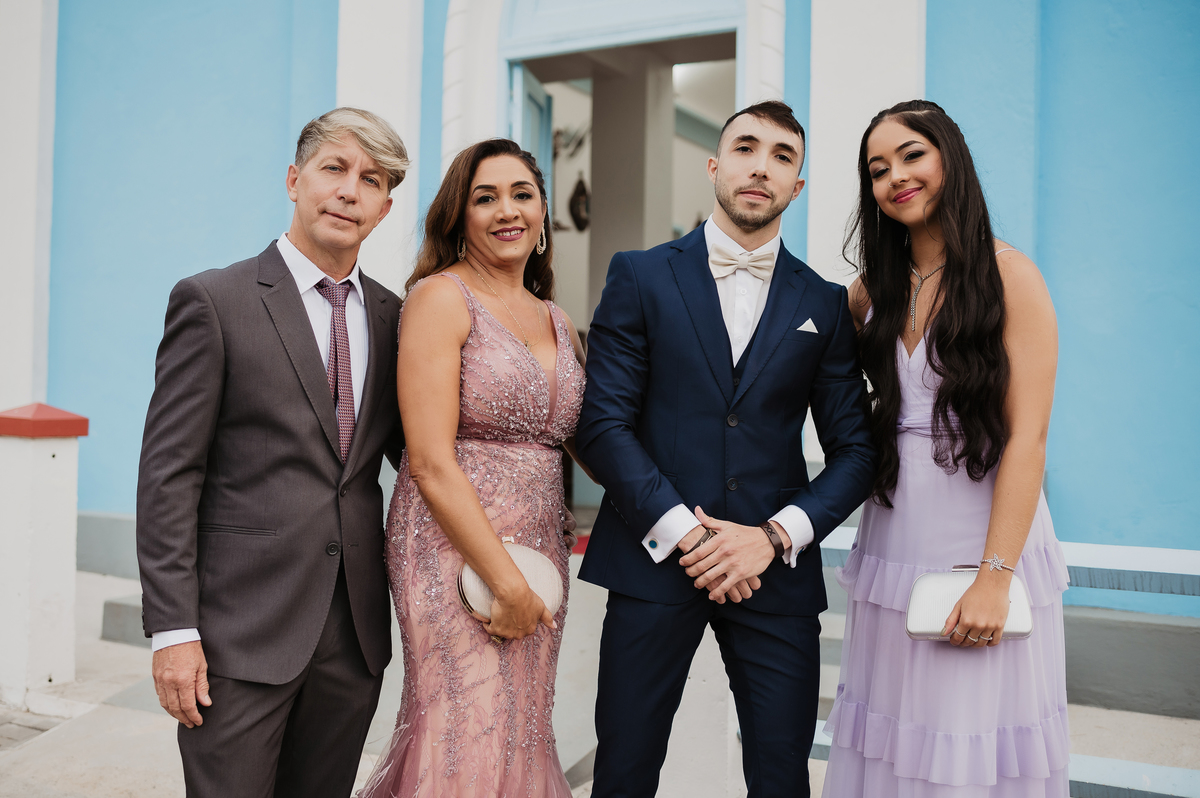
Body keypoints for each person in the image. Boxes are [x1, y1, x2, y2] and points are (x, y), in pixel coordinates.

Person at [576, 100, 877, 798]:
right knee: (623, 774)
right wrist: (689, 536)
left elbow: (857, 451)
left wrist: (772, 538)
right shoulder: (640, 275)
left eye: (782, 156)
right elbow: (602, 425)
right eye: (746, 148)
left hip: (773, 575)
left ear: (798, 185)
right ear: (715, 165)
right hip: (653, 561)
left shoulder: (825, 303)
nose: (761, 167)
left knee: (782, 779)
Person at [136, 107, 408, 798]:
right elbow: (169, 475)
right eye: (334, 168)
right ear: (294, 179)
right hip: (238, 634)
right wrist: (173, 629)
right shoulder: (214, 301)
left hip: (353, 638)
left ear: (384, 207)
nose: (348, 191)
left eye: (371, 180)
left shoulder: (394, 317)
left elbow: (416, 458)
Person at [821, 100, 1069, 796]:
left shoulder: (1010, 276)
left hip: (981, 535)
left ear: (949, 158)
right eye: (878, 169)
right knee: (895, 728)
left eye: (912, 155)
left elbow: (1029, 439)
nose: (895, 177)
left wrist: (995, 577)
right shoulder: (870, 292)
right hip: (895, 530)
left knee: (968, 731)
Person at [359, 139, 585, 797]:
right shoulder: (440, 298)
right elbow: (429, 462)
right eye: (486, 198)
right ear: (459, 216)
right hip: (450, 547)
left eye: (522, 194)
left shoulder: (558, 319)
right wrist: (504, 582)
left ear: (543, 212)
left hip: (542, 549)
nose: (507, 211)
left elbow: (588, 444)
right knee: (466, 726)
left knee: (520, 726)